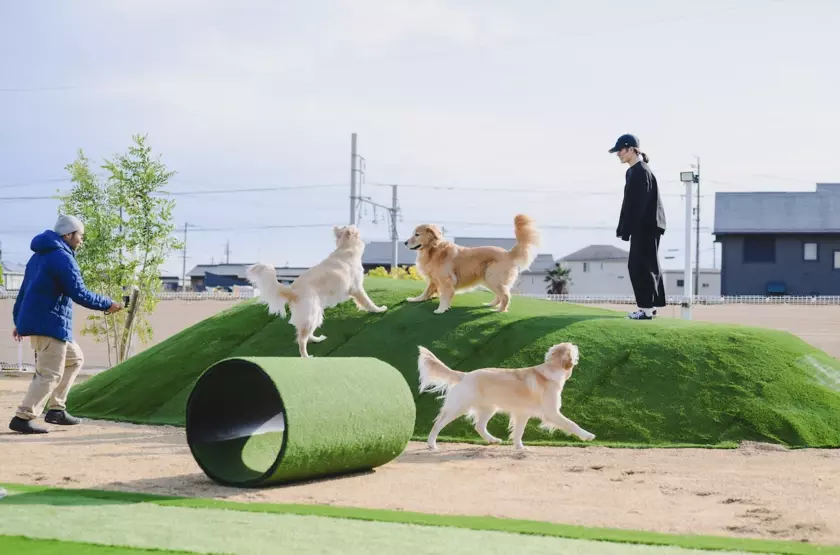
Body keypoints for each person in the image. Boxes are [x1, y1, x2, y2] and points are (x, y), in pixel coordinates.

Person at [9, 215, 123, 434]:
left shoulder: (38, 257)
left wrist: (19, 321)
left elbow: (24, 292)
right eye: (80, 235)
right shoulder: (62, 257)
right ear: (68, 235)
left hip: (45, 323)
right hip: (50, 323)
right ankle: (23, 417)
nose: (81, 240)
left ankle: (56, 410)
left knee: (75, 358)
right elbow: (79, 292)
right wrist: (108, 304)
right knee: (49, 374)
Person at [610, 134, 667, 320]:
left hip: (647, 226)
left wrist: (631, 228)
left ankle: (647, 310)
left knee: (641, 266)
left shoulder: (641, 171)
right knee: (640, 265)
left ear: (631, 149)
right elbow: (630, 204)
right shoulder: (633, 171)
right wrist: (625, 228)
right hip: (643, 226)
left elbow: (640, 205)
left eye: (620, 150)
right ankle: (648, 308)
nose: (618, 154)